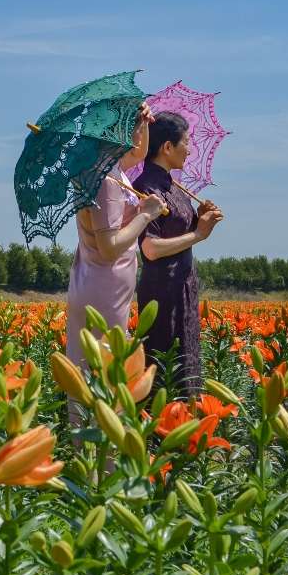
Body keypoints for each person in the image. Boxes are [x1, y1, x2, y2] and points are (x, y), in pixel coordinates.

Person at [66, 103, 168, 420]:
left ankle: (96, 452)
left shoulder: (106, 170)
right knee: (101, 374)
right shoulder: (107, 181)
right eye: (135, 127)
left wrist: (144, 122)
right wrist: (145, 215)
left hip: (99, 284)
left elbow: (138, 154)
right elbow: (109, 247)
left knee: (97, 369)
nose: (140, 136)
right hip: (103, 289)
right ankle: (100, 458)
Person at [133, 112, 223, 397]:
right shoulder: (147, 188)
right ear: (167, 147)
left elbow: (176, 232)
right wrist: (198, 234)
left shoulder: (175, 187)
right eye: (186, 142)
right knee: (166, 368)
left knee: (185, 363)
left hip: (183, 287)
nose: (190, 148)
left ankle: (186, 432)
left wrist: (199, 218)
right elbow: (151, 248)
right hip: (163, 291)